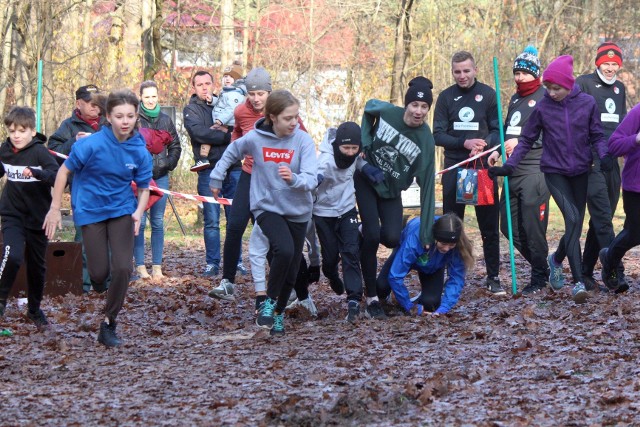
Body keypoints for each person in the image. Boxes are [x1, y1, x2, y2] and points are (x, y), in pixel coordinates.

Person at [489, 55, 612, 304]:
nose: (552, 92)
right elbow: (525, 140)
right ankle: (577, 282)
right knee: (574, 220)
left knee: (573, 226)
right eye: (548, 87)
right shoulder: (543, 107)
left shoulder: (587, 103)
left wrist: (605, 155)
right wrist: (509, 166)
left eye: (557, 88)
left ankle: (555, 260)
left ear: (569, 84)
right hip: (554, 172)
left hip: (581, 171)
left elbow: (597, 135)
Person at [44, 89, 152, 347]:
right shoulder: (90, 144)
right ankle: (100, 285)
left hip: (121, 210)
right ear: (108, 117)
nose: (125, 121)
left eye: (130, 116)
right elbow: (63, 172)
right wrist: (54, 208)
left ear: (137, 116)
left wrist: (138, 212)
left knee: (124, 267)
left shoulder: (139, 150)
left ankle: (109, 323)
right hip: (90, 210)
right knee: (99, 273)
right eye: (119, 116)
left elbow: (145, 186)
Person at [209, 90, 317, 336]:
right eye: (288, 118)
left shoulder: (303, 141)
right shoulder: (255, 138)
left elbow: (311, 178)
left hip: (298, 210)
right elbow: (232, 151)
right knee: (285, 249)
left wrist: (295, 179)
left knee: (292, 268)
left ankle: (277, 313)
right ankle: (267, 304)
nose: (294, 123)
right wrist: (217, 175)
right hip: (266, 205)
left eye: (296, 117)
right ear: (272, 117)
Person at [356, 76, 436, 319]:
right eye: (415, 105)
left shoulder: (425, 140)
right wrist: (365, 142)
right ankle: (371, 296)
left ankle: (359, 231)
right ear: (406, 104)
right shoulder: (388, 112)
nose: (419, 111)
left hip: (391, 191)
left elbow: (428, 189)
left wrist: (425, 234)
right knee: (371, 235)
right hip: (367, 180)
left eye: (424, 107)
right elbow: (369, 108)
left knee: (391, 238)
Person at [433, 51, 502, 295]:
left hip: (482, 169)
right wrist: (465, 143)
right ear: (453, 72)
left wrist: (484, 144)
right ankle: (452, 276)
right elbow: (437, 134)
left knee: (489, 227)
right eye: (457, 71)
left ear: (475, 70)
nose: (462, 76)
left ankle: (493, 277)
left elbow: (498, 131)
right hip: (455, 168)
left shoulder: (489, 95)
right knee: (451, 227)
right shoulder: (445, 97)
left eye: (466, 70)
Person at [487, 46, 550, 295]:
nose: (519, 77)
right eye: (516, 73)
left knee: (533, 228)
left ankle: (539, 278)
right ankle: (543, 265)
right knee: (508, 226)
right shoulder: (515, 98)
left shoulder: (546, 97)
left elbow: (549, 132)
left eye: (525, 73)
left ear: (536, 74)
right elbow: (506, 129)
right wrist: (498, 150)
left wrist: (522, 139)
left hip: (534, 170)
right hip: (511, 172)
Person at [0, 107, 59, 328]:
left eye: (22, 131)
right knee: (12, 255)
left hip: (38, 218)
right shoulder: (5, 150)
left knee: (37, 265)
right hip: (12, 214)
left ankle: (34, 310)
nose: (16, 135)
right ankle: (1, 300)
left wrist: (36, 173)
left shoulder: (40, 153)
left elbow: (57, 178)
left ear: (32, 132)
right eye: (12, 130)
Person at [576, 42, 627, 291]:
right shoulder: (583, 84)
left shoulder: (620, 88)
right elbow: (574, 121)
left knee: (599, 220)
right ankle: (615, 272)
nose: (609, 68)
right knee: (604, 218)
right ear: (598, 63)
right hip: (591, 162)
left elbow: (623, 125)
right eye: (605, 63)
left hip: (612, 162)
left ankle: (586, 272)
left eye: (613, 64)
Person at [48, 84, 108, 293]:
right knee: (84, 234)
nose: (95, 108)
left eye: (98, 104)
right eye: (91, 104)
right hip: (81, 189)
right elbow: (53, 153)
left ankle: (106, 283)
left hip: (109, 187)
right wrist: (74, 142)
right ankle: (82, 283)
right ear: (78, 103)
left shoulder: (108, 121)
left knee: (109, 234)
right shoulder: (68, 125)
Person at [183, 70, 241, 277]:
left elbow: (238, 128)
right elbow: (200, 133)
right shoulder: (191, 110)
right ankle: (212, 263)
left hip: (233, 168)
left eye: (208, 83)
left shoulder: (225, 101)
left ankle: (237, 262)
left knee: (235, 219)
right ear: (194, 87)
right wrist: (226, 135)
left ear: (214, 84)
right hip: (208, 170)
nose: (205, 87)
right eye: (200, 84)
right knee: (211, 221)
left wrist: (228, 132)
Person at [314, 121, 366, 324]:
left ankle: (354, 299)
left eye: (355, 148)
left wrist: (369, 169)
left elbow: (359, 162)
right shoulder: (326, 160)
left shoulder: (355, 155)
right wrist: (315, 179)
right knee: (329, 258)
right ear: (337, 146)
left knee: (351, 252)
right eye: (346, 148)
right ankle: (331, 274)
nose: (350, 152)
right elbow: (316, 172)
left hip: (346, 209)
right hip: (323, 211)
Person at [377, 214, 474, 316]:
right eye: (443, 243)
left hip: (433, 267)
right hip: (408, 254)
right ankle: (391, 296)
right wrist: (410, 306)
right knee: (381, 287)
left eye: (451, 245)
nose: (446, 249)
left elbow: (456, 279)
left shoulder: (458, 246)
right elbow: (395, 276)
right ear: (435, 238)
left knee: (431, 304)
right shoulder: (415, 238)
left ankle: (422, 297)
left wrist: (444, 308)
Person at [133, 81, 182, 280]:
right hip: (141, 178)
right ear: (141, 98)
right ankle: (139, 266)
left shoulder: (166, 120)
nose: (151, 100)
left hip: (161, 176)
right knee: (140, 221)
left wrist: (168, 164)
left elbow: (176, 146)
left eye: (154, 96)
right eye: (147, 97)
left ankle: (157, 266)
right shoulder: (135, 119)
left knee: (158, 222)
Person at [598, 102, 640, 294]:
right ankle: (610, 259)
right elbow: (614, 144)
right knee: (635, 233)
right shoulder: (638, 111)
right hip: (636, 186)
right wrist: (637, 139)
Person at [191, 61, 246, 172]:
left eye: (231, 77)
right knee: (208, 136)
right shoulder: (225, 92)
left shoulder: (236, 94)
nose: (227, 79)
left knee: (212, 130)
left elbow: (231, 109)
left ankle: (203, 158)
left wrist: (220, 121)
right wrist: (212, 101)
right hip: (212, 167)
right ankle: (203, 158)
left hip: (228, 122)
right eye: (225, 76)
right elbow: (221, 103)